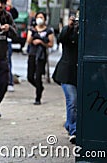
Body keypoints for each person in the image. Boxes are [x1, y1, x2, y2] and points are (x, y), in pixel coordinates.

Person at [52, 14, 79, 144]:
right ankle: (73, 130)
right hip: (67, 73)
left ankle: (70, 124)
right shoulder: (69, 31)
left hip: (82, 74)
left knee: (78, 103)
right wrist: (69, 26)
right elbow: (61, 38)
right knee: (72, 100)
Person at [26, 11, 54, 105]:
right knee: (30, 77)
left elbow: (50, 44)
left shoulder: (48, 30)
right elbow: (29, 41)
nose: (39, 19)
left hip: (41, 56)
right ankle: (39, 87)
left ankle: (38, 97)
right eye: (38, 17)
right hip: (32, 54)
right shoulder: (32, 29)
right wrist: (33, 32)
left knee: (38, 77)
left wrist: (41, 42)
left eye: (41, 17)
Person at [5, 0, 19, 92]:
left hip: (7, 41)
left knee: (8, 62)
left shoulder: (9, 13)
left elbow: (15, 15)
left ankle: (10, 82)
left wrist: (11, 6)